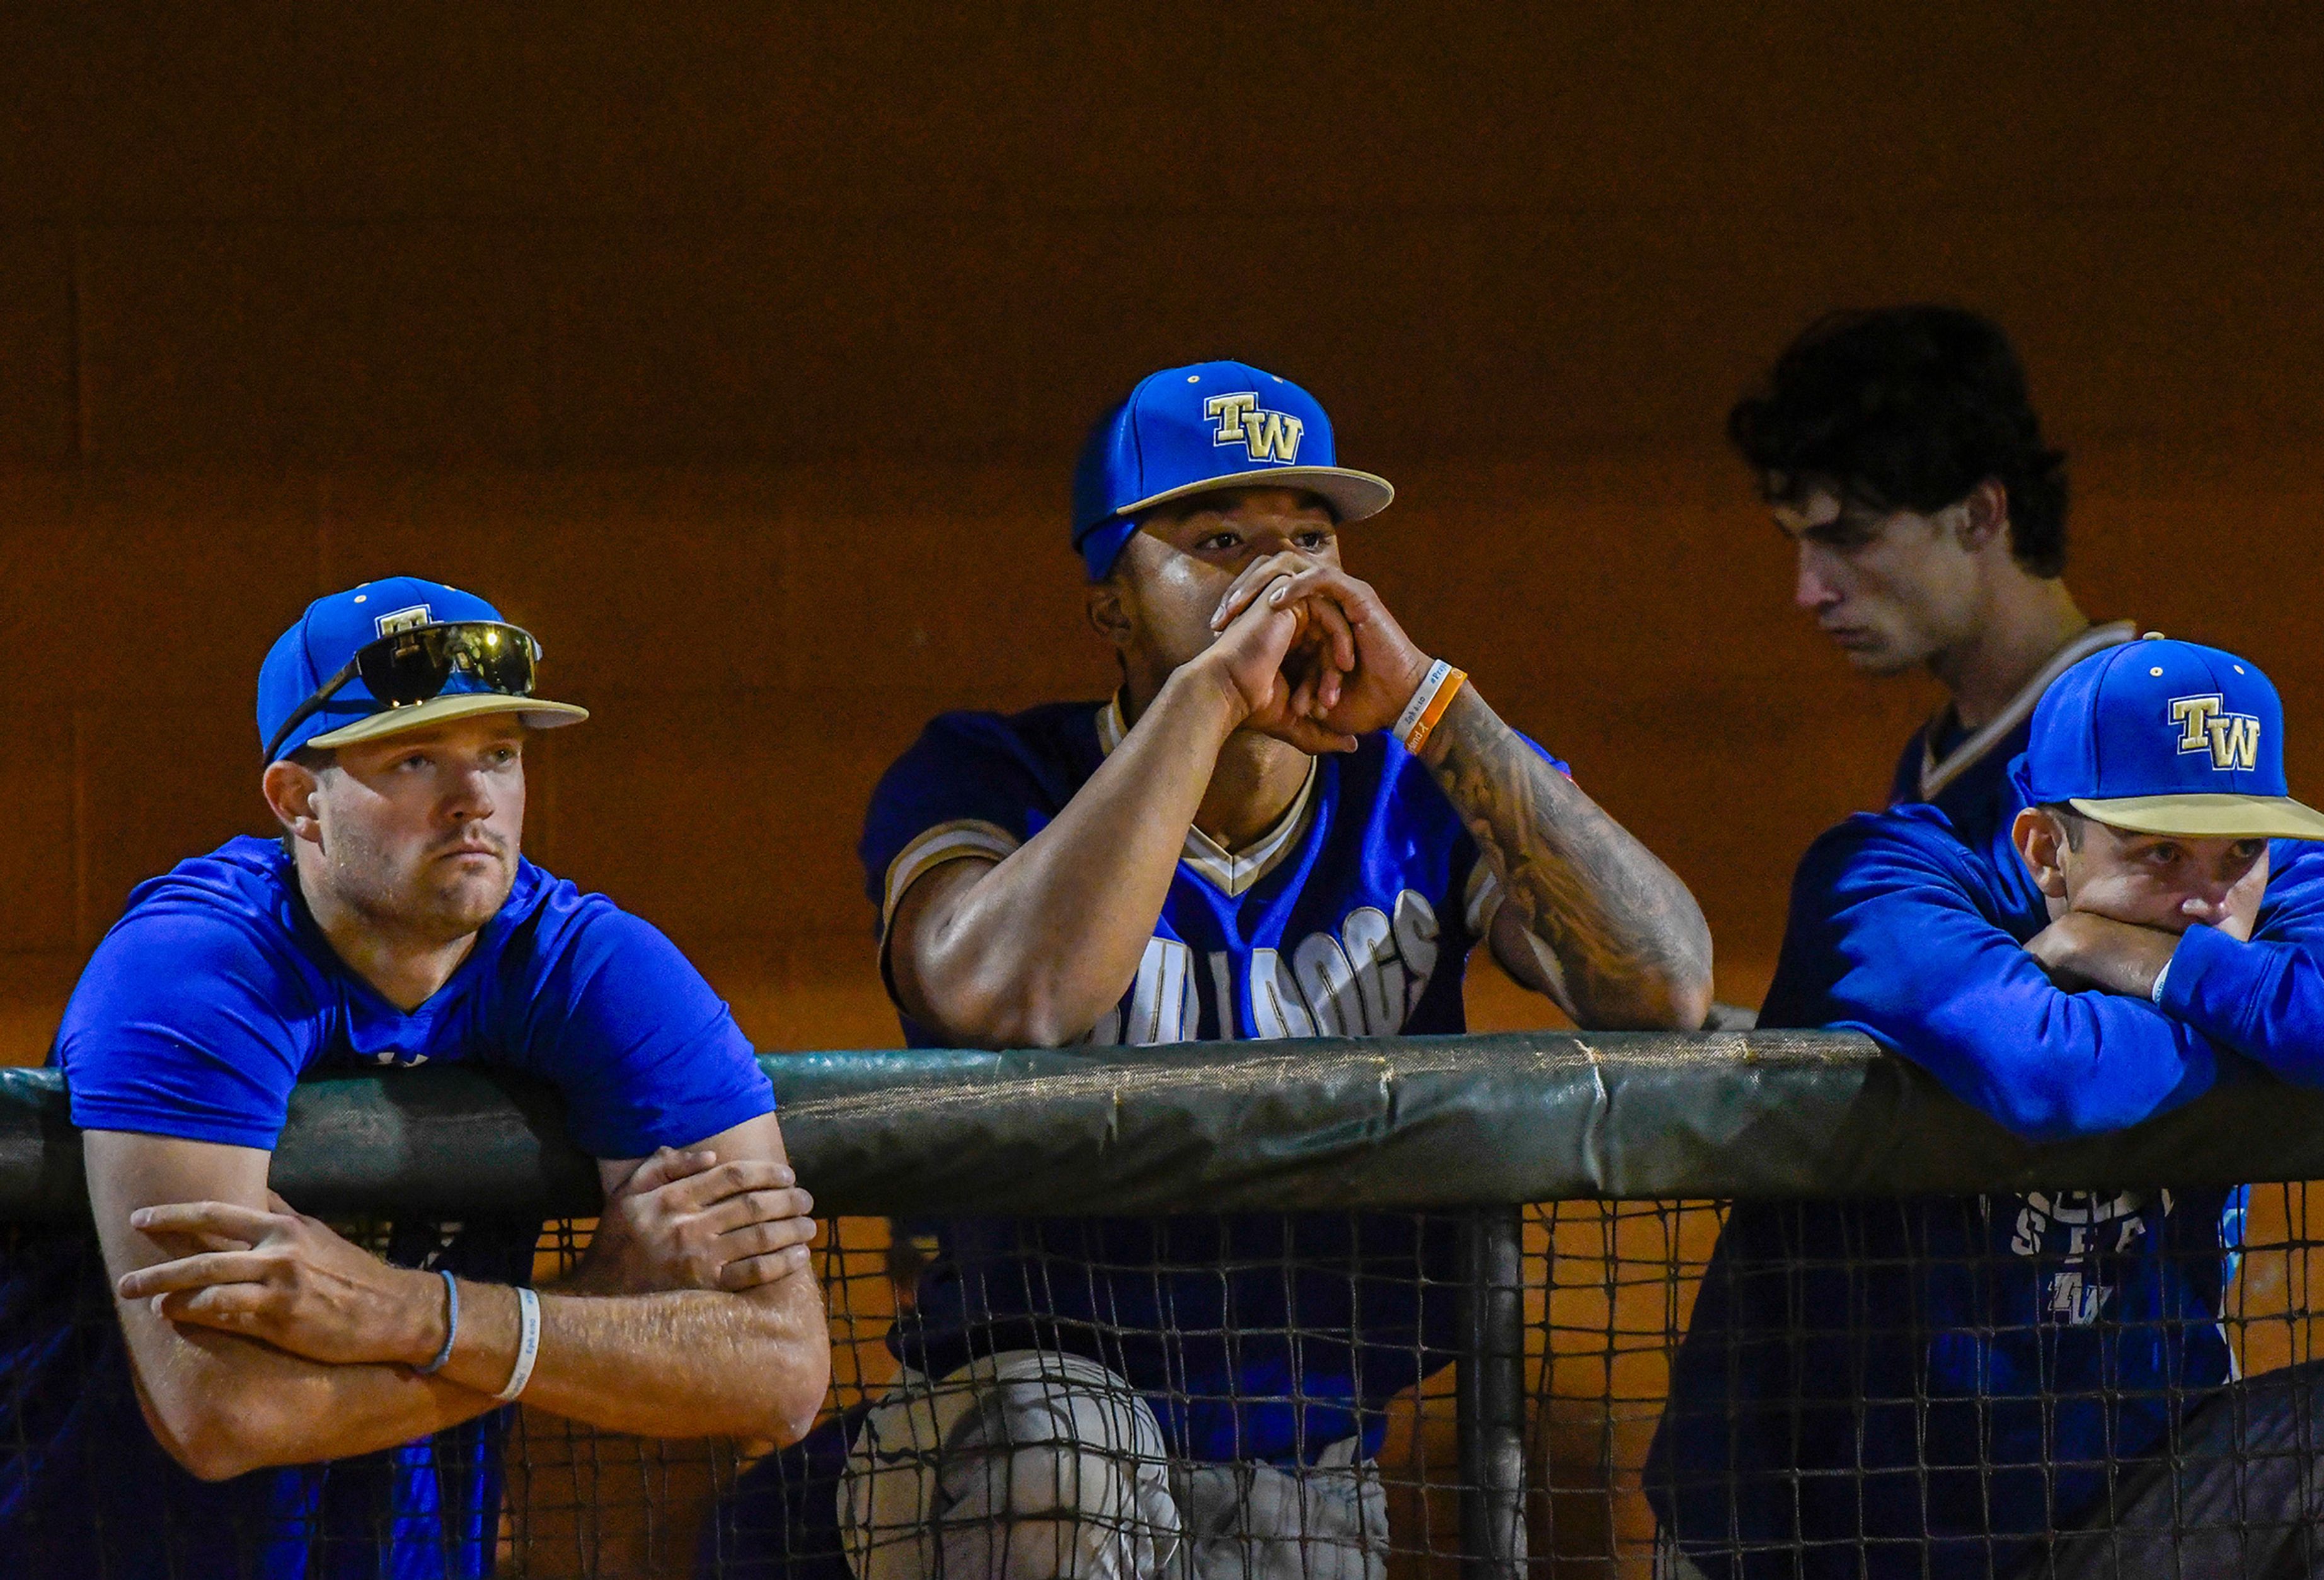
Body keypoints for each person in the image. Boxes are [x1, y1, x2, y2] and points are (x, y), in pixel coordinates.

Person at [710, 360, 1712, 1580]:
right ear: (1112, 604)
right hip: (1005, 1432)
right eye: (1219, 540)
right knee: (1061, 1466)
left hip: (1304, 1459)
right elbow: (1005, 995)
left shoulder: (1417, 789)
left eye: (1309, 538)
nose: (1280, 579)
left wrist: (1433, 702)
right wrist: (1214, 697)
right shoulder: (990, 773)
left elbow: (1664, 980)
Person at [1, 576, 832, 1577]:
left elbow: (781, 1374)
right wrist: (606, 1298)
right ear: (299, 801)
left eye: (500, 755)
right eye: (415, 758)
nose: (476, 797)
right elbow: (219, 1413)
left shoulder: (596, 969)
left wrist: (408, 1314)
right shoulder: (192, 971)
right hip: (101, 1543)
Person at [1648, 636, 2324, 1579]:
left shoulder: (2269, 888)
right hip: (1813, 1531)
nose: (2208, 902)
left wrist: (2163, 966)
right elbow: (2046, 1073)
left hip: (2126, 1513)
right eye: (2160, 851)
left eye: (2241, 851)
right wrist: (2284, 1024)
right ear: (2046, 846)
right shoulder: (1890, 881)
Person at [1736, 304, 2136, 848]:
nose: (1809, 593)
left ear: (1977, 514)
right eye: (1798, 542)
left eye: (1850, 537)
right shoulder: (1939, 759)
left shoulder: (2138, 736)